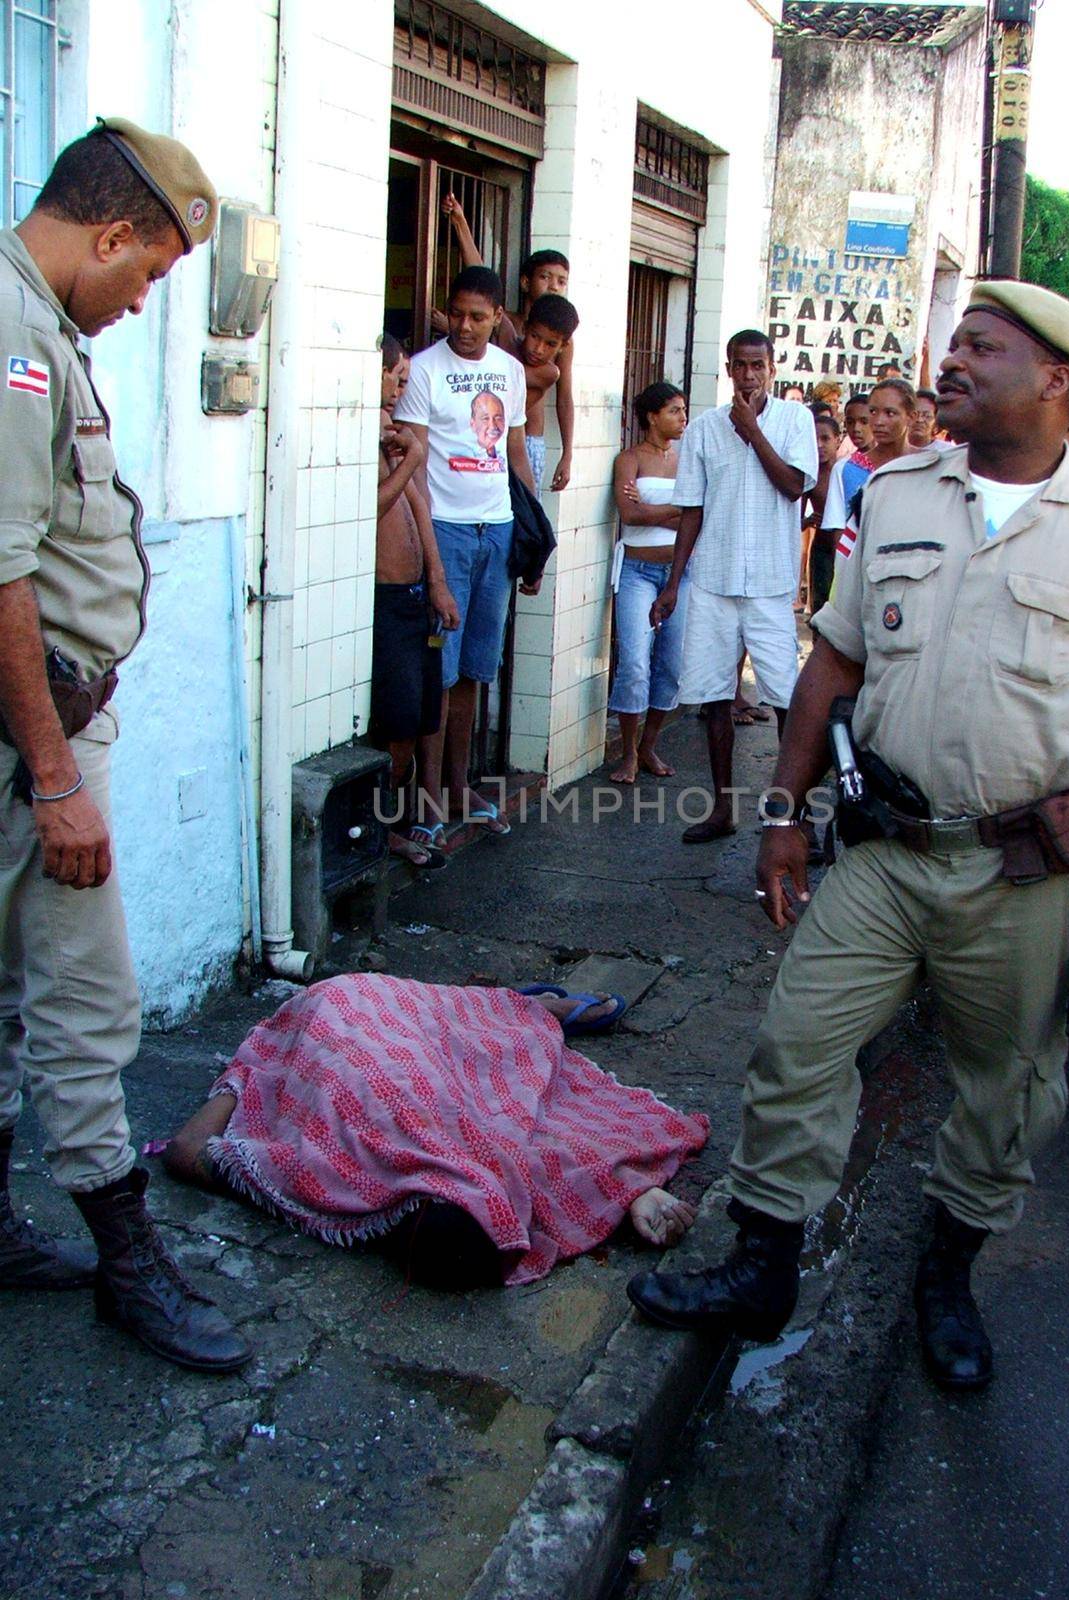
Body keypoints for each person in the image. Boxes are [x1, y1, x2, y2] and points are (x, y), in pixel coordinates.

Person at [628, 281, 1069, 1392]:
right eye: (955, 341)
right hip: (885, 850)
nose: (954, 360)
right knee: (797, 1041)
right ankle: (764, 1262)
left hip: (1023, 876)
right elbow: (831, 662)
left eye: (983, 346)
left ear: (1058, 382)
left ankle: (947, 1276)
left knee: (1006, 1089)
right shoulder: (896, 495)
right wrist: (780, 815)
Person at [0, 119, 250, 1372]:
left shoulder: (39, 322)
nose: (145, 299)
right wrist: (55, 778)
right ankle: (126, 1259)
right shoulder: (14, 338)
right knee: (89, 998)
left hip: (45, 716)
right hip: (30, 736)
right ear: (107, 234)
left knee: (15, 989)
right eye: (145, 272)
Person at [162, 974, 706, 1287]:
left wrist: (243, 1075)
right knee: (497, 1094)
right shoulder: (343, 1187)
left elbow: (189, 1147)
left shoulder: (304, 1171)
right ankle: (521, 1007)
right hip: (394, 1054)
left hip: (341, 1009)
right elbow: (516, 1142)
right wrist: (624, 1189)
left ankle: (516, 1004)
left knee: (455, 1034)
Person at [650, 330, 817, 843]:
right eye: (740, 366)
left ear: (772, 367)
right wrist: (673, 583)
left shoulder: (795, 420)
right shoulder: (702, 429)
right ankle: (722, 809)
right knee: (713, 696)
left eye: (757, 365)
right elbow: (692, 511)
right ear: (728, 368)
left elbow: (794, 486)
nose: (748, 375)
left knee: (786, 699)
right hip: (714, 581)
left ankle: (795, 817)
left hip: (768, 584)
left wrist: (752, 432)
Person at [395, 265, 537, 837]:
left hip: (498, 530)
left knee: (475, 668)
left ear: (498, 317)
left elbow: (517, 454)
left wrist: (534, 539)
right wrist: (431, 562)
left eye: (479, 317)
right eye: (457, 313)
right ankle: (427, 798)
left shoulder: (510, 371)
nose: (466, 326)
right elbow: (412, 471)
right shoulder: (426, 370)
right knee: (439, 667)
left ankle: (458, 787)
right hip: (447, 531)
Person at [371, 334, 460, 866]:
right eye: (394, 378)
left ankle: (396, 826)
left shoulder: (395, 436)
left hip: (416, 598)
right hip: (385, 601)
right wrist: (412, 459)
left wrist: (438, 581)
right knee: (396, 728)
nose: (400, 389)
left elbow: (419, 508)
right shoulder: (368, 439)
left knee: (423, 719)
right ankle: (382, 834)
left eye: (406, 380)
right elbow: (372, 508)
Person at [441, 194, 575, 495]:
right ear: (527, 282)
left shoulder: (562, 347)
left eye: (561, 280)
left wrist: (567, 453)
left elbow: (564, 398)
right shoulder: (507, 324)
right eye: (546, 277)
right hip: (484, 436)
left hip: (526, 439)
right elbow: (482, 281)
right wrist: (461, 223)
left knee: (523, 517)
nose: (553, 286)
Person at [608, 382, 690, 783]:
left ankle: (648, 748)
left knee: (671, 664)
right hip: (637, 570)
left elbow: (699, 519)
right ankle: (626, 753)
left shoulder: (689, 460)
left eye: (683, 410)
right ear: (652, 416)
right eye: (674, 410)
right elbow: (629, 514)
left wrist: (654, 509)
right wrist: (680, 510)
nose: (682, 418)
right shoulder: (629, 460)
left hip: (679, 573)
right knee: (636, 662)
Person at [821, 378, 916, 566]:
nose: (879, 421)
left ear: (911, 417)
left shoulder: (926, 464)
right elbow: (839, 529)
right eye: (873, 412)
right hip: (862, 568)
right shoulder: (846, 469)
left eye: (890, 413)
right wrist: (844, 576)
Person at [806, 412, 842, 617]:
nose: (819, 445)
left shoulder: (849, 470)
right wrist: (808, 521)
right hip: (822, 550)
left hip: (848, 550)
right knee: (821, 611)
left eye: (825, 438)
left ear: (838, 440)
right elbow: (794, 520)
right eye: (814, 439)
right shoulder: (810, 476)